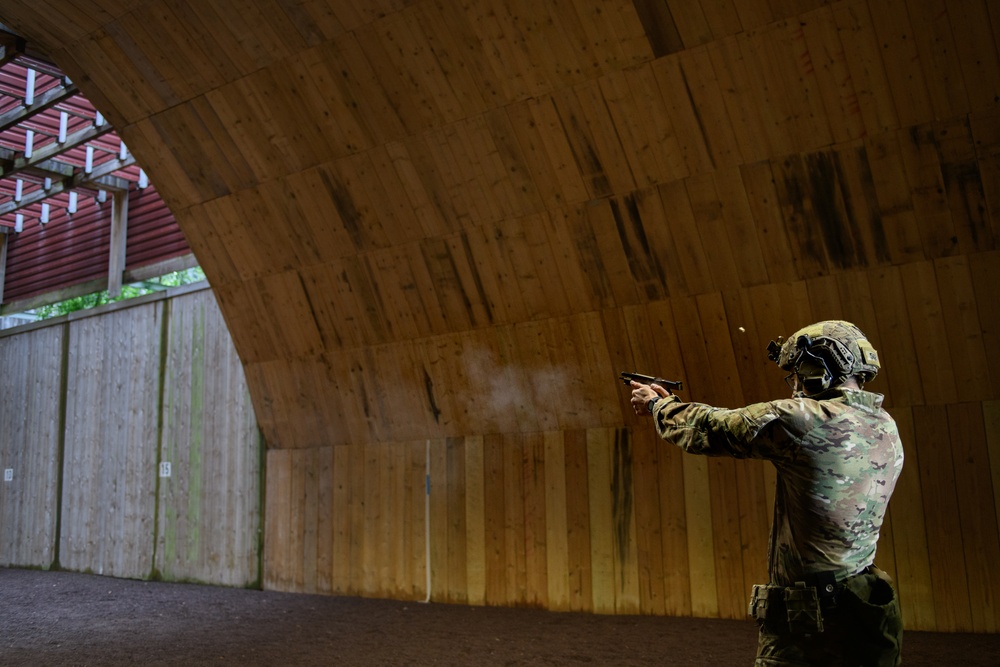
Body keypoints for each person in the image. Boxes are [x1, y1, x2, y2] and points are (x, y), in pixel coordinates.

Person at [629, 320, 904, 666]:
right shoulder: (885, 426)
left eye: (798, 374)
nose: (795, 386)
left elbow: (713, 428)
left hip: (808, 626)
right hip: (864, 612)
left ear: (818, 370)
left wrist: (660, 406)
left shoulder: (802, 419)